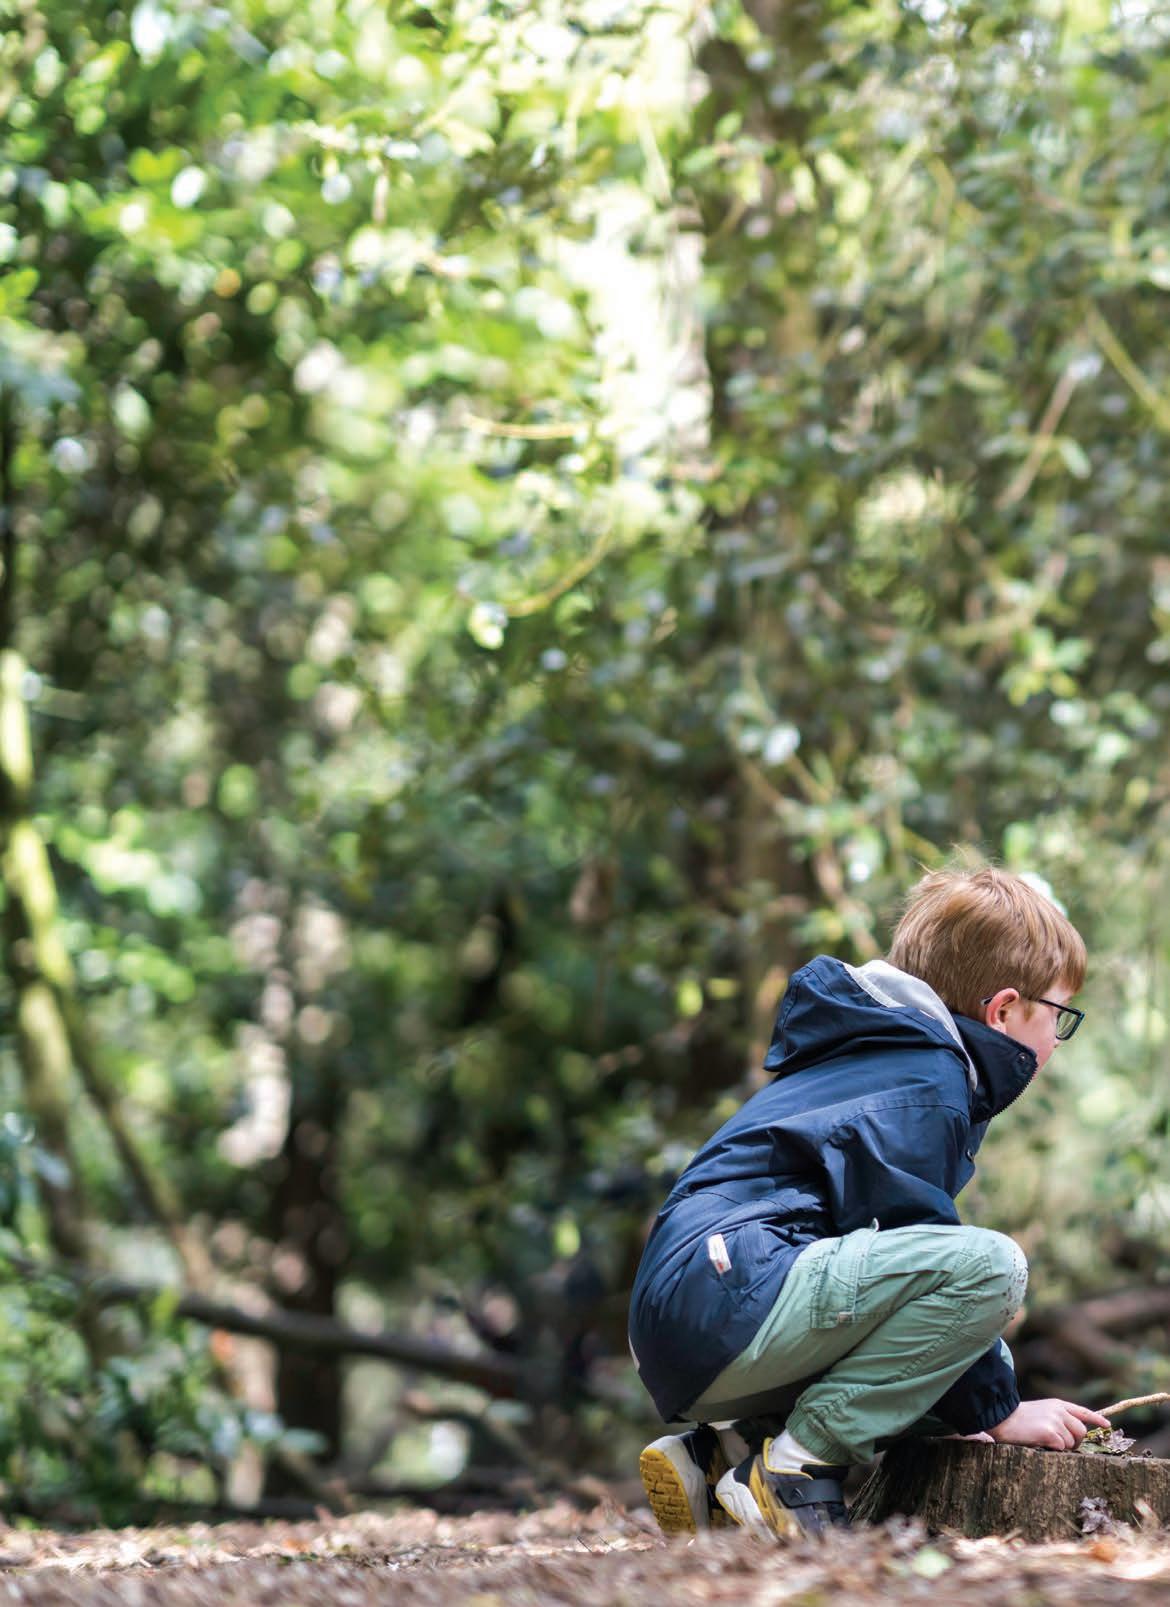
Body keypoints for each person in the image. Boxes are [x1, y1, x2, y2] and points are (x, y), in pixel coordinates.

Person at [628, 864, 1111, 1539]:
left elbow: (900, 1301)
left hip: (693, 1317)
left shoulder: (883, 1051)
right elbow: (916, 1235)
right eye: (1058, 1017)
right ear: (1004, 1010)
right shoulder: (925, 1077)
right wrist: (1000, 1409)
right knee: (991, 1268)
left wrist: (981, 1401)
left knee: (941, 1359)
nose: (1056, 1041)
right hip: (729, 1292)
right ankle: (794, 1466)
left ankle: (721, 1456)